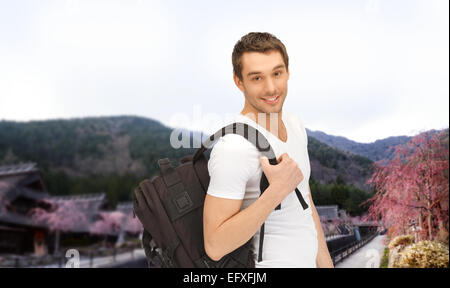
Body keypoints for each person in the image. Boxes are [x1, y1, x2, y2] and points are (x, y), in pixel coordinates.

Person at [203, 32, 334, 268]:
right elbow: (214, 245)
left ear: (288, 72)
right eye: (257, 78)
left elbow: (306, 203)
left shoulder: (295, 125)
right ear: (238, 81)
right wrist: (277, 191)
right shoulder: (234, 147)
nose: (271, 87)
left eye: (277, 73)